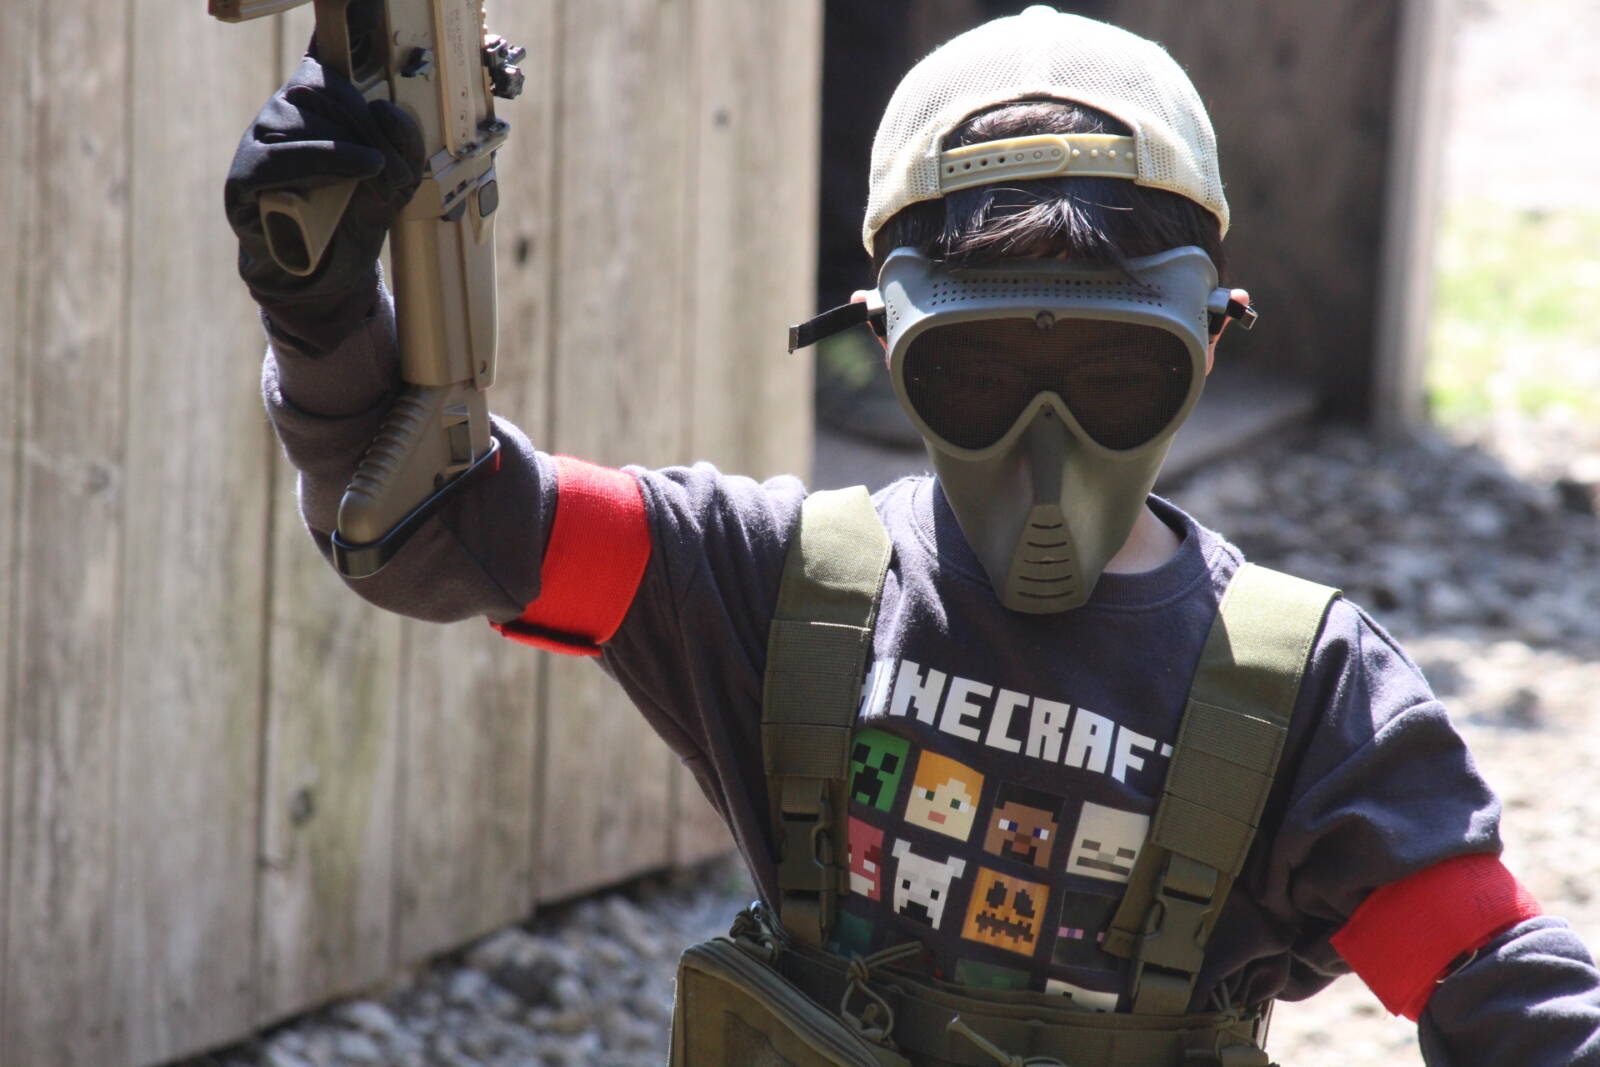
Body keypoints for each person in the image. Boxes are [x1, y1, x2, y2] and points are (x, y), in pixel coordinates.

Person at [227, 8, 1600, 1064]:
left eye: (1114, 377)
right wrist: (320, 305)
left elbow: (1502, 991)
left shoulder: (1305, 695)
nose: (1048, 452)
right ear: (887, 346)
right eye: (982, 375)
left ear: (1209, 344)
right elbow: (426, 516)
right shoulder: (769, 583)